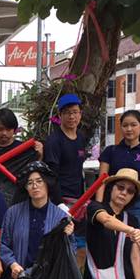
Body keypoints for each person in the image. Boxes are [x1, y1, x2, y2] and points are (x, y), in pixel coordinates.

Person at [84, 168, 140, 279]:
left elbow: (135, 256)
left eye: (130, 191)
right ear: (111, 187)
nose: (124, 193)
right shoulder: (95, 208)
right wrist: (130, 231)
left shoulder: (132, 220)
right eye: (120, 187)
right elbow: (106, 220)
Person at [97, 110, 140, 233]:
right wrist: (99, 206)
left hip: (138, 206)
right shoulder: (111, 151)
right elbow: (102, 181)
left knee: (133, 242)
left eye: (133, 125)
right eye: (125, 125)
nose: (129, 129)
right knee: (109, 242)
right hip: (111, 204)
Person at [43, 93, 90, 259]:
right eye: (68, 112)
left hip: (80, 199)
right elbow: (51, 175)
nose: (72, 116)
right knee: (63, 246)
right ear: (60, 115)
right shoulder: (54, 141)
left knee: (81, 247)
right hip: (61, 201)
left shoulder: (81, 138)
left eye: (75, 112)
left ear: (80, 114)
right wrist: (59, 203)